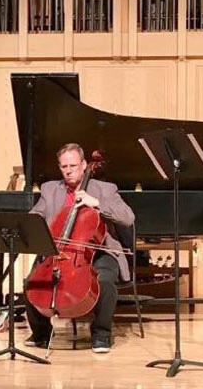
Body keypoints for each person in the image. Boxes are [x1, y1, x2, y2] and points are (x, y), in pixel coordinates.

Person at [24, 143, 135, 354]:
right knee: (33, 281)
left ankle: (101, 333)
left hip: (99, 250)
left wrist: (97, 203)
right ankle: (41, 333)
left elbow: (128, 217)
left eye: (73, 166)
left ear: (84, 165)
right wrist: (33, 224)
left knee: (104, 282)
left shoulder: (105, 189)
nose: (68, 170)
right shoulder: (49, 189)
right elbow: (35, 215)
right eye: (64, 166)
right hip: (59, 251)